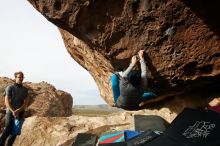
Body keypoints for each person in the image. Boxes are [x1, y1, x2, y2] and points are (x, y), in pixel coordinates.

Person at [0, 71, 29, 146]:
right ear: (15, 78)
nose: (21, 78)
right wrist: (13, 111)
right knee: (7, 129)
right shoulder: (10, 87)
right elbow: (6, 101)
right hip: (10, 112)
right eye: (19, 77)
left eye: (22, 77)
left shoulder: (25, 90)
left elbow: (25, 103)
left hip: (20, 112)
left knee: (14, 133)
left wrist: (19, 110)